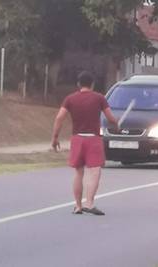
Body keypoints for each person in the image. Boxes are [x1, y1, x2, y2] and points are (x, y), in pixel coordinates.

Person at [51, 71, 119, 216]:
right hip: (93, 139)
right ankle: (89, 202)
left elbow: (59, 118)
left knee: (78, 172)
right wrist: (116, 123)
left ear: (78, 84)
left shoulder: (70, 99)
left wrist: (55, 138)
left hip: (77, 139)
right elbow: (110, 118)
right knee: (95, 171)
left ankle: (77, 206)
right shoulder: (99, 98)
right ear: (92, 84)